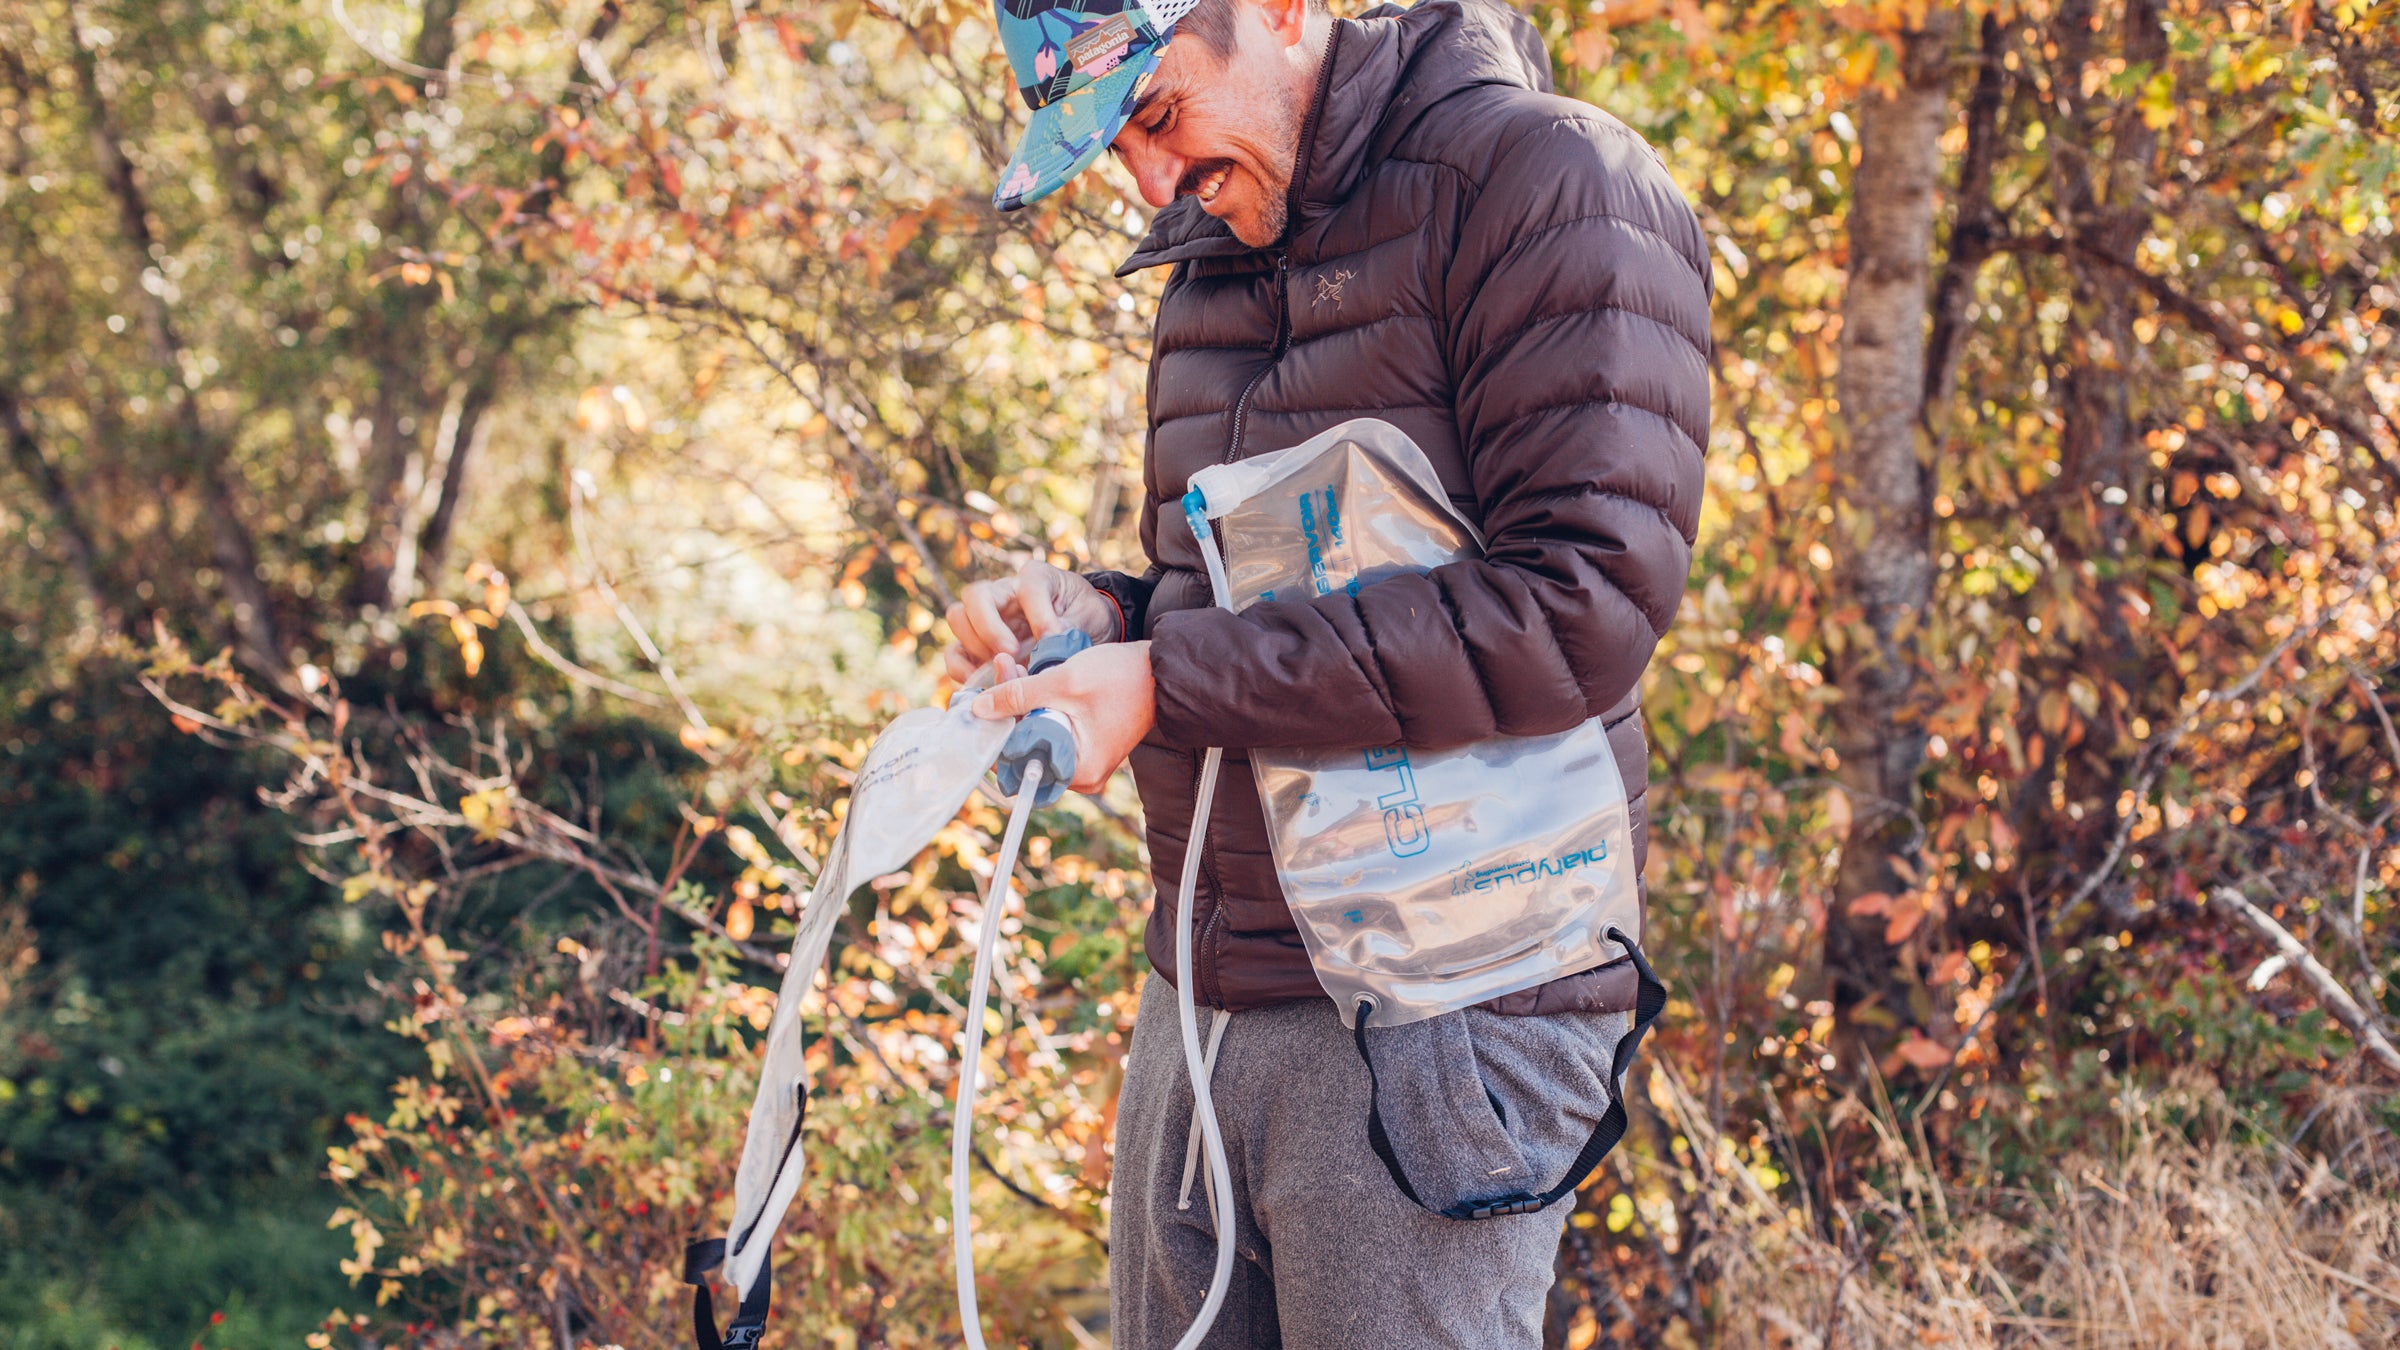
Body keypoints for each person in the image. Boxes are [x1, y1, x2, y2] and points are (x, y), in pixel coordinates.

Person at [945, 0, 1709, 1341]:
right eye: (1114, 145)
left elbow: (1580, 607)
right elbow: (1236, 607)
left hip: (1442, 1016)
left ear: (1283, 11)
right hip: (1202, 1002)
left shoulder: (1552, 187)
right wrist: (1100, 627)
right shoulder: (1214, 254)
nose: (1150, 181)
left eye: (1159, 112)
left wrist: (1169, 680)